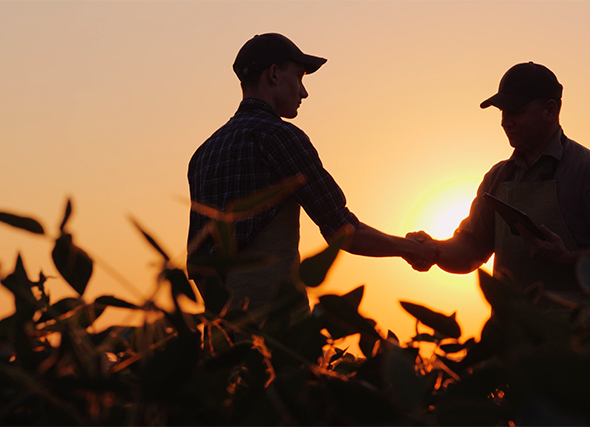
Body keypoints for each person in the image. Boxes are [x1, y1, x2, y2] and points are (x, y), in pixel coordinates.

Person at [187, 33, 437, 319]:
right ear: (273, 74)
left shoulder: (203, 153)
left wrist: (225, 321)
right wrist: (409, 248)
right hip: (278, 333)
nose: (304, 92)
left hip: (221, 340)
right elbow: (343, 231)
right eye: (300, 76)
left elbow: (197, 264)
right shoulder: (279, 137)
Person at [407, 62, 590, 301]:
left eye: (516, 111)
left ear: (550, 110)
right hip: (511, 334)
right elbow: (470, 252)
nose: (505, 122)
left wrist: (566, 258)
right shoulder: (497, 178)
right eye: (502, 113)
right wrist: (432, 250)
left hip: (577, 334)